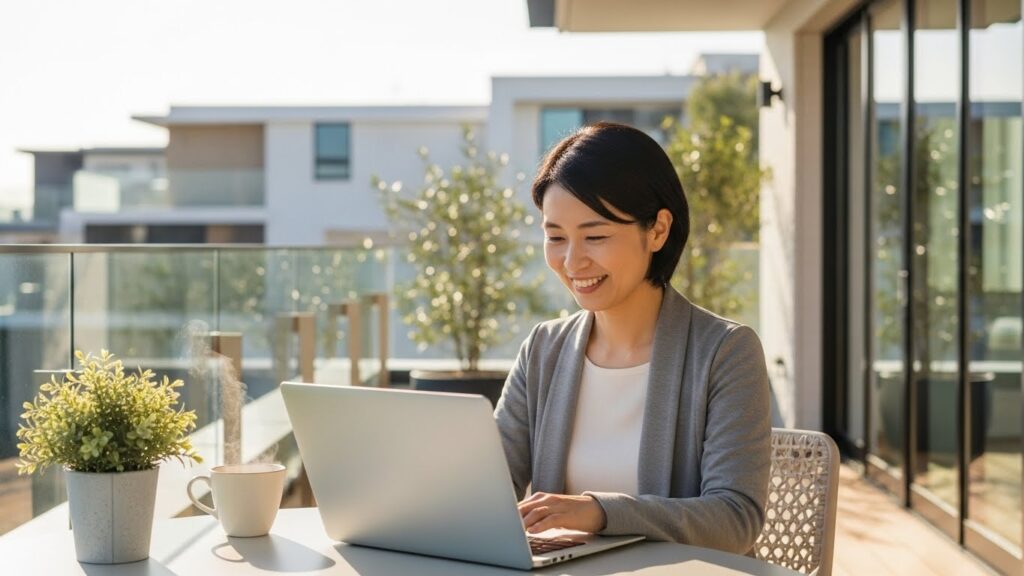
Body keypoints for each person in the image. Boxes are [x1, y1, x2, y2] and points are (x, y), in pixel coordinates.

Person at [494, 122, 771, 555]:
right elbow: (485, 487)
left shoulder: (725, 352)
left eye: (596, 236)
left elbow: (736, 519)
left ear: (658, 230)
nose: (572, 261)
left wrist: (600, 512)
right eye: (555, 237)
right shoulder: (543, 349)